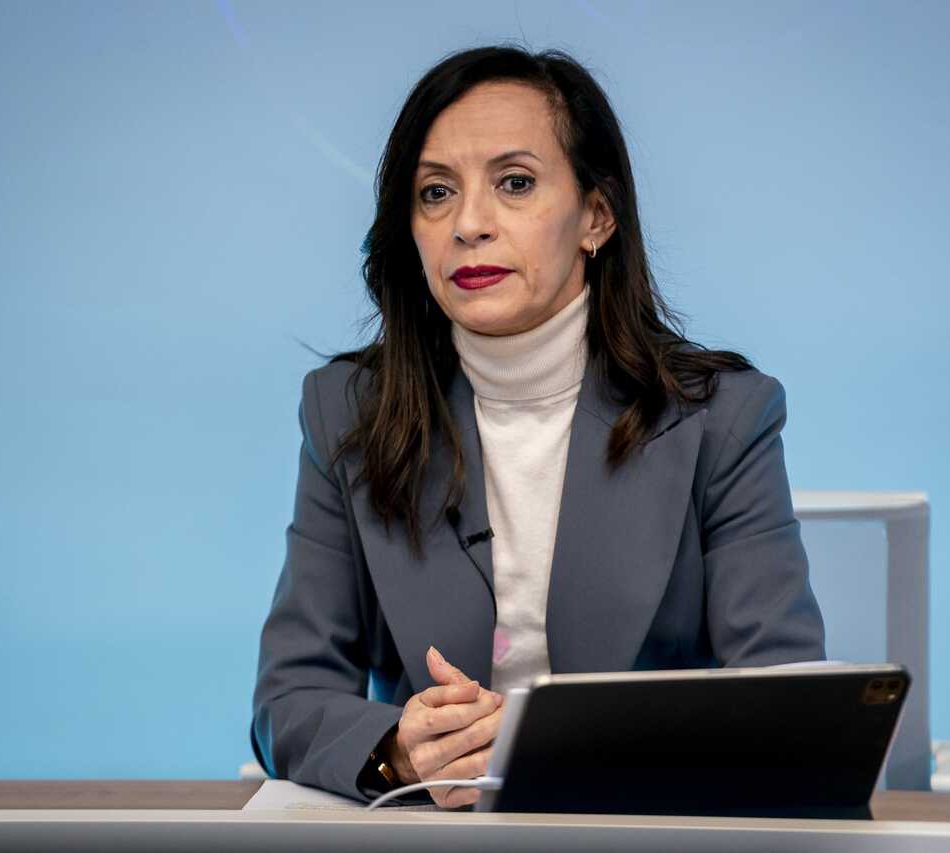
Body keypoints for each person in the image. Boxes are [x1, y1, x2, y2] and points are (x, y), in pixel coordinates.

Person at [250, 44, 826, 809]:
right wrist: (396, 750)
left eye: (514, 183)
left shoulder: (720, 417)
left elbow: (785, 707)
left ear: (596, 215)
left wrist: (563, 748)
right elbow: (288, 698)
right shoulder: (347, 411)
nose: (469, 224)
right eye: (435, 193)